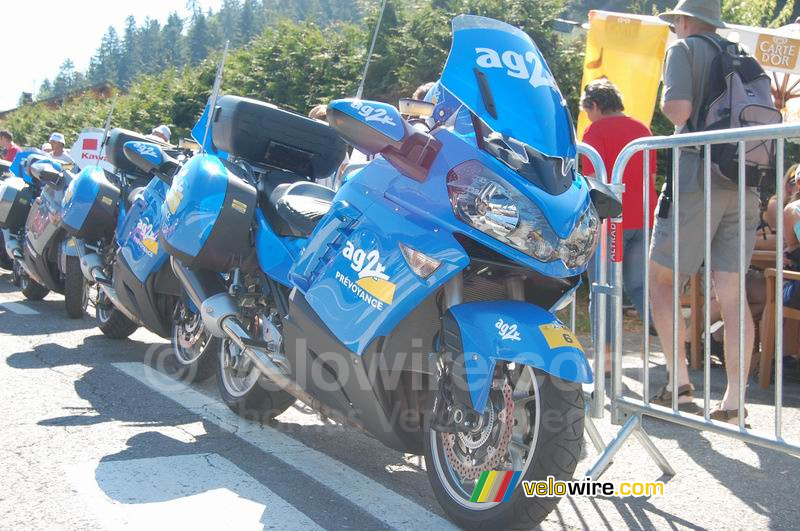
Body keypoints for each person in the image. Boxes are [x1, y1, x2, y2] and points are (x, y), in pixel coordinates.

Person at [650, 0, 761, 423]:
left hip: (698, 176)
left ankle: (678, 383)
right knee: (731, 294)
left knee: (662, 278)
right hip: (746, 181)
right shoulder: (741, 56)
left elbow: (677, 110)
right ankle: (734, 400)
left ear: (682, 20)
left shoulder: (683, 49)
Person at [580, 78, 657, 370]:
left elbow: (592, 181)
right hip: (643, 220)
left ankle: (607, 360)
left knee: (603, 287)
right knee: (640, 287)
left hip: (610, 222)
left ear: (595, 105)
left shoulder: (595, 131)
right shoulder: (642, 129)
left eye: (587, 110)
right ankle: (670, 350)